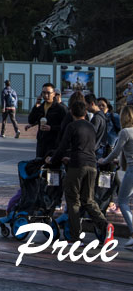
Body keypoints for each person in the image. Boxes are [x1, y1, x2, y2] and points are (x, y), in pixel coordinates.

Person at [46, 100, 114, 245]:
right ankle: (105, 225)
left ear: (72, 112)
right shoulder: (91, 126)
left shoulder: (72, 126)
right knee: (88, 200)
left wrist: (53, 159)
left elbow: (63, 146)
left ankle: (75, 237)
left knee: (73, 201)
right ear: (85, 113)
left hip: (77, 166)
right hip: (92, 165)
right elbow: (87, 147)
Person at [98, 105, 133, 249]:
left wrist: (104, 160)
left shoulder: (125, 132)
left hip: (132, 170)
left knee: (123, 201)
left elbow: (115, 151)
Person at [26, 82, 67, 159]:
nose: (46, 95)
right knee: (38, 164)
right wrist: (36, 105)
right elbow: (31, 120)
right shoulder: (40, 107)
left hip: (54, 143)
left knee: (50, 167)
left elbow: (65, 126)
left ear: (54, 94)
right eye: (43, 93)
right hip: (41, 142)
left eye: (48, 93)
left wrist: (51, 128)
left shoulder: (60, 109)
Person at [85, 93, 107, 158]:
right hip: (100, 148)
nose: (86, 108)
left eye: (86, 105)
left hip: (96, 150)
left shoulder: (96, 118)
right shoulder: (102, 115)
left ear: (92, 104)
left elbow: (91, 136)